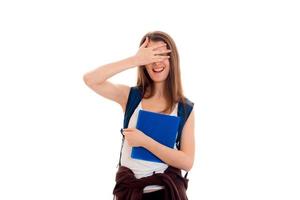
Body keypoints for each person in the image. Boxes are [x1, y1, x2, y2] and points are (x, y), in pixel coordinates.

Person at [83, 31, 195, 200]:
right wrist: (135, 60)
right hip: (129, 192)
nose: (156, 61)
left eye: (161, 54)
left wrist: (145, 142)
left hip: (166, 193)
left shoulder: (184, 108)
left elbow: (187, 162)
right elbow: (90, 79)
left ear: (172, 59)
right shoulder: (130, 97)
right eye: (151, 55)